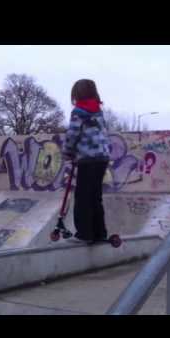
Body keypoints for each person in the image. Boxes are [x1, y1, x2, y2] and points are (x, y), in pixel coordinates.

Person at [62, 79, 110, 244]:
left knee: (82, 196)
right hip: (102, 158)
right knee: (95, 196)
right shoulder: (98, 110)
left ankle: (84, 234)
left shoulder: (79, 111)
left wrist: (67, 152)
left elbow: (73, 134)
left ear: (76, 94)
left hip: (87, 159)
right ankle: (99, 233)